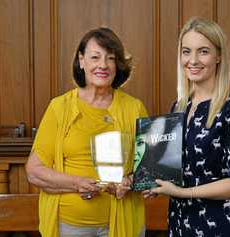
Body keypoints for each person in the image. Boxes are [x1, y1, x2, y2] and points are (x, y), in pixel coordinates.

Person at [25, 27, 147, 237]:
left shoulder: (134, 108)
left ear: (117, 65)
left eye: (110, 58)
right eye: (95, 57)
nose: (103, 65)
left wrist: (129, 181)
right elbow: (34, 171)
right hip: (69, 226)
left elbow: (148, 170)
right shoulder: (59, 107)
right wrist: (77, 183)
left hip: (122, 223)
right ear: (81, 61)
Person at [143, 17, 230, 236]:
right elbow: (179, 168)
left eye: (203, 51)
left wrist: (183, 192)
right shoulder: (179, 106)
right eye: (186, 51)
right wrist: (157, 184)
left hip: (222, 226)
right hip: (180, 223)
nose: (192, 60)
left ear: (218, 56)